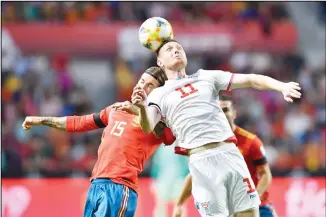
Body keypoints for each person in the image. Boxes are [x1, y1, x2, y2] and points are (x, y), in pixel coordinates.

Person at [130, 39, 301, 217]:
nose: (176, 51)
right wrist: (142, 107)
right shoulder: (158, 94)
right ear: (160, 61)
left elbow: (251, 79)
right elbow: (147, 126)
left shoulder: (206, 76)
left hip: (230, 154)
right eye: (169, 49)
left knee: (249, 214)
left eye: (179, 48)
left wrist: (282, 86)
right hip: (201, 160)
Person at [22, 66, 176, 217]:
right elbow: (79, 122)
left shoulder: (158, 122)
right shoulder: (117, 109)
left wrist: (141, 109)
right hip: (96, 184)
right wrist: (41, 120)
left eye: (150, 85)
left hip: (120, 187)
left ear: (158, 94)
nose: (142, 87)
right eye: (142, 81)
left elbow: (169, 138)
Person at [172, 98, 278, 217]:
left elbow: (265, 174)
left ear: (234, 113)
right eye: (218, 110)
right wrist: (179, 204)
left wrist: (253, 198)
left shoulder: (251, 142)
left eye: (225, 109)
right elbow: (195, 175)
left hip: (258, 207)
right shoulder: (209, 143)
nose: (222, 113)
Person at [150, 144, 189, 217]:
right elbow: (156, 165)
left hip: (176, 180)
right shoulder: (162, 147)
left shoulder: (181, 145)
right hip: (164, 180)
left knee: (179, 206)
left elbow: (187, 165)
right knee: (162, 206)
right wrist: (154, 180)